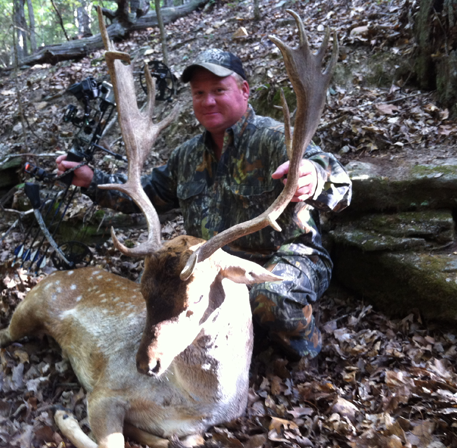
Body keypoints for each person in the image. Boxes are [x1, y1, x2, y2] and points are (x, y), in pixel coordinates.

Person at [56, 49, 352, 361]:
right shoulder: (186, 156)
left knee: (271, 300)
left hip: (287, 256)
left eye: (219, 90)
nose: (208, 101)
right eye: (199, 93)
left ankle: (304, 354)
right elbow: (148, 192)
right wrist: (92, 180)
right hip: (213, 266)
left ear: (244, 91)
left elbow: (340, 184)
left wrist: (314, 178)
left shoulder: (276, 138)